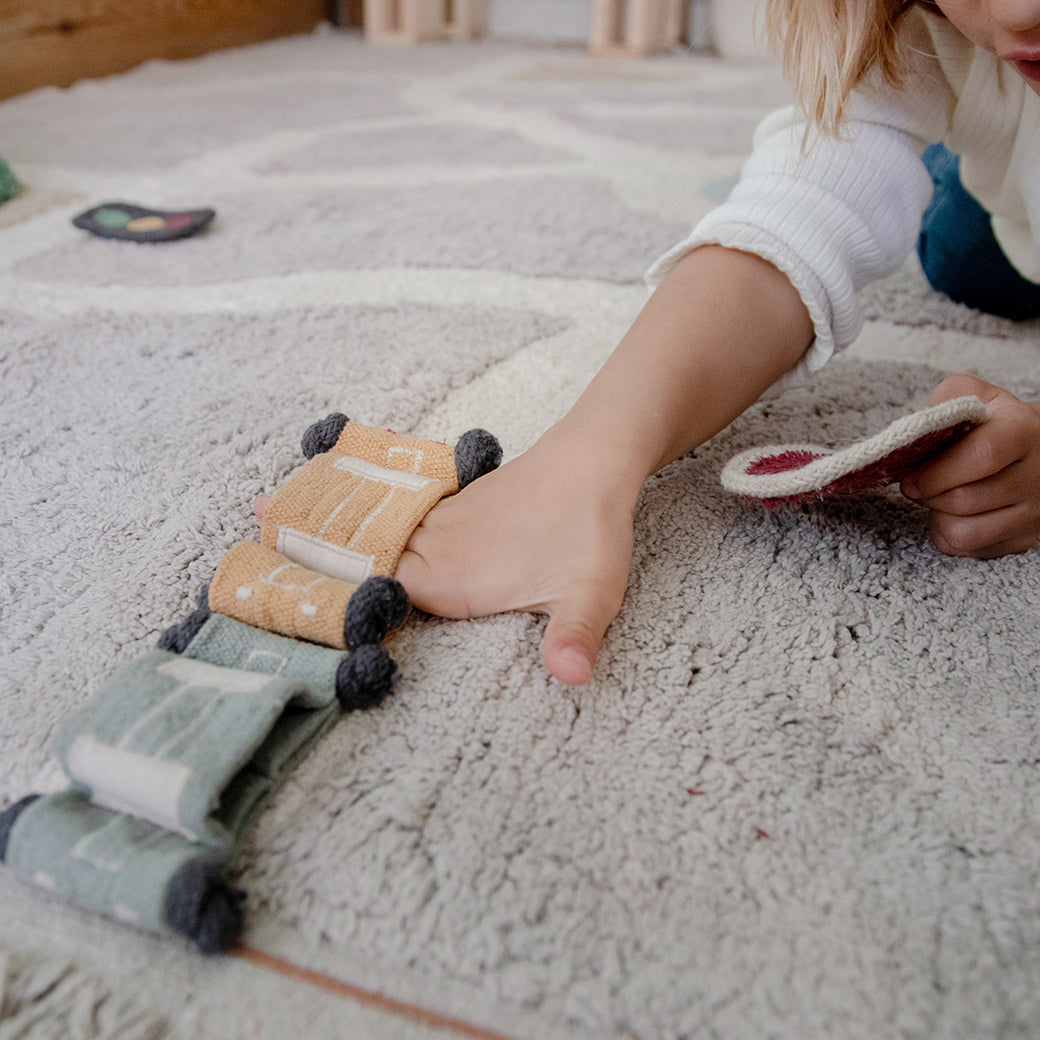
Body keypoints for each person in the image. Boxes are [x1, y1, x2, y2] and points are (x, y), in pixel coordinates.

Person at [393, 1, 1040, 685]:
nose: (1018, 9)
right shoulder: (941, 34)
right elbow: (805, 209)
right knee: (963, 257)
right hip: (999, 192)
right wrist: (586, 460)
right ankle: (958, 151)